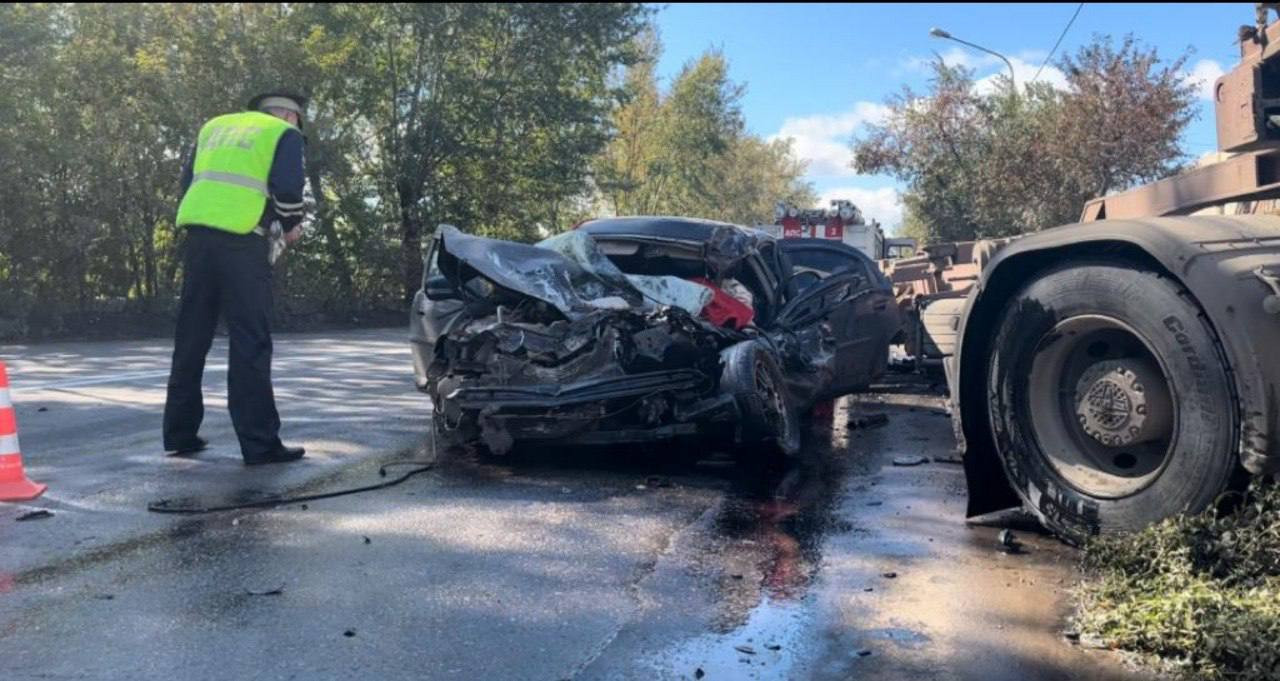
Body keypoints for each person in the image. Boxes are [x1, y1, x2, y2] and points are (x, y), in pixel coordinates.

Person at [162, 91, 308, 465]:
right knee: (250, 340)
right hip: (242, 242)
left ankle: (180, 433)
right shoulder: (283, 134)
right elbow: (289, 191)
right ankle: (259, 445)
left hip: (198, 237)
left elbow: (187, 183)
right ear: (291, 117)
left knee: (192, 334)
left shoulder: (214, 128)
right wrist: (291, 225)